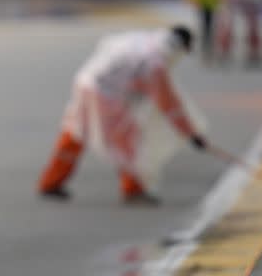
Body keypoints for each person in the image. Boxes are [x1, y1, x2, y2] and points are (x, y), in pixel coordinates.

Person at [37, 26, 208, 205]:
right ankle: (133, 189)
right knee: (127, 138)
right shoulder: (156, 63)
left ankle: (51, 181)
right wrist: (191, 134)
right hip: (106, 93)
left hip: (86, 80)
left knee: (76, 131)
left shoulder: (141, 38)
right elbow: (169, 105)